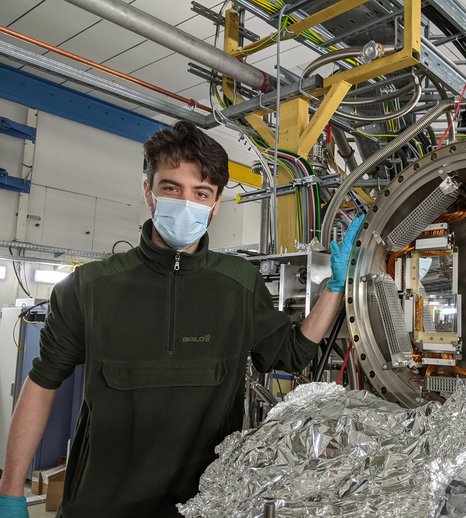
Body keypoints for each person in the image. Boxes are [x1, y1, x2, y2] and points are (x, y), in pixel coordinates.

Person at [0, 121, 363, 517]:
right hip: (100, 506)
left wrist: (335, 287)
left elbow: (292, 354)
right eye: (171, 188)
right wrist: (11, 490)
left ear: (216, 203)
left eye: (200, 193)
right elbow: (41, 384)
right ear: (148, 192)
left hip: (203, 507)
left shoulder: (239, 285)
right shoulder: (89, 288)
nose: (185, 202)